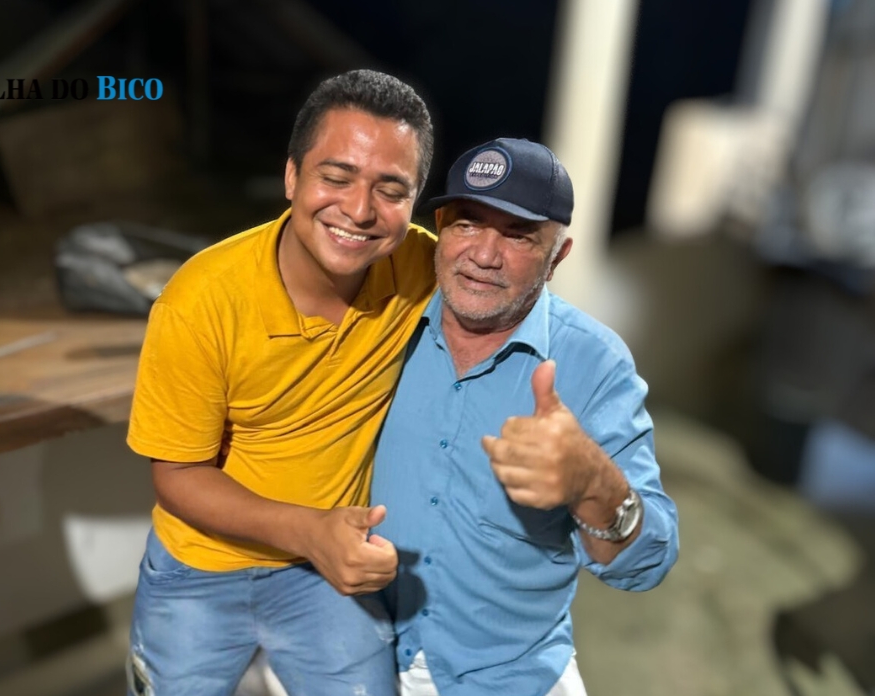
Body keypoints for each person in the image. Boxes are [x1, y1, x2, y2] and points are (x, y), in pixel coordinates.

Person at [125, 69, 438, 696]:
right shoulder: (201, 300)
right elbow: (177, 475)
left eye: (390, 189)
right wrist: (312, 533)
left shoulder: (422, 267)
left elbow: (509, 284)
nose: (359, 210)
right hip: (199, 567)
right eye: (337, 177)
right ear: (292, 177)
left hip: (324, 576)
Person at [370, 138, 680, 696]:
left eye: (518, 235)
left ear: (557, 256)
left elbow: (648, 563)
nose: (484, 255)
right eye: (467, 223)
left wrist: (593, 483)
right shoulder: (381, 321)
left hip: (511, 679)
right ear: (440, 226)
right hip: (355, 657)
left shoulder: (593, 362)